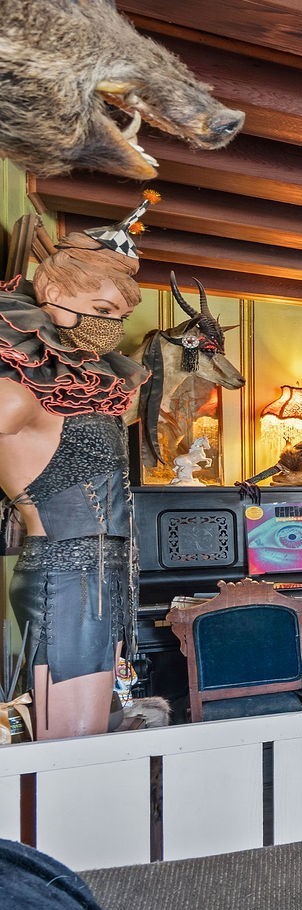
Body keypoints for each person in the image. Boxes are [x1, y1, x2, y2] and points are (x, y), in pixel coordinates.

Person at [0, 197, 152, 738]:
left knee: (86, 736)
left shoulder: (81, 390)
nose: (112, 326)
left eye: (121, 315)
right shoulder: (15, 392)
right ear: (54, 292)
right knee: (71, 741)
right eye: (102, 308)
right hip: (66, 577)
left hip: (103, 576)